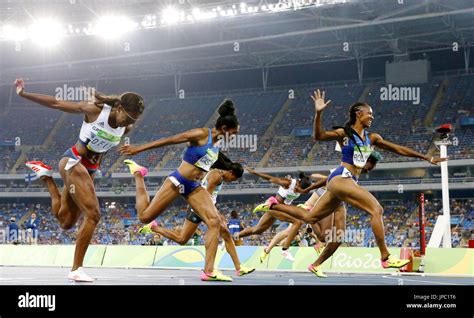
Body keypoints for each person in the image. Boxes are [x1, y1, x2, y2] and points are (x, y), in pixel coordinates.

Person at [263, 89, 447, 269]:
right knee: (376, 209)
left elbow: (397, 148)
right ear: (358, 114)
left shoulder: (372, 138)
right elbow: (318, 136)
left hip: (342, 183)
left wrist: (426, 158)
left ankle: (274, 205)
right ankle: (385, 257)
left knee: (311, 216)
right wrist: (318, 113)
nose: (372, 117)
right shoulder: (344, 134)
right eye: (369, 114)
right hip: (341, 178)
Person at [17, 78, 145, 281]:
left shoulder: (125, 128)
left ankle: (47, 178)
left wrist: (93, 171)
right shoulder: (96, 110)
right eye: (127, 117)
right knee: (94, 215)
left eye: (133, 121)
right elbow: (56, 103)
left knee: (65, 222)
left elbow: (102, 149)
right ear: (119, 108)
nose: (129, 123)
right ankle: (76, 269)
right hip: (73, 162)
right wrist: (25, 94)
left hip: (89, 171)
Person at [119, 100, 240, 282]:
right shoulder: (201, 134)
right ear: (224, 127)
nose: (235, 135)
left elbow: (216, 162)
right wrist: (138, 149)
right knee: (144, 217)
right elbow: (170, 140)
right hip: (178, 181)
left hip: (194, 186)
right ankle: (138, 174)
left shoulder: (216, 145)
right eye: (234, 132)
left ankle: (208, 271)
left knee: (214, 221)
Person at [138, 163, 255, 277]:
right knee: (225, 234)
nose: (232, 181)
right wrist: (216, 214)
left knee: (182, 239)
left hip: (200, 208)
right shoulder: (216, 176)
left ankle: (154, 227)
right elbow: (206, 197)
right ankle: (235, 268)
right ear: (230, 172)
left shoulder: (216, 173)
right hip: (200, 208)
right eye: (233, 178)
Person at [235, 170, 325, 262]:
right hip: (274, 207)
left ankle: (234, 236)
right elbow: (270, 178)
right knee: (297, 222)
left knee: (257, 230)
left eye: (300, 191)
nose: (298, 191)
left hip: (282, 209)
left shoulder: (303, 188)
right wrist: (254, 172)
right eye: (298, 188)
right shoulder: (288, 183)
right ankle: (285, 250)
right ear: (298, 182)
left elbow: (317, 184)